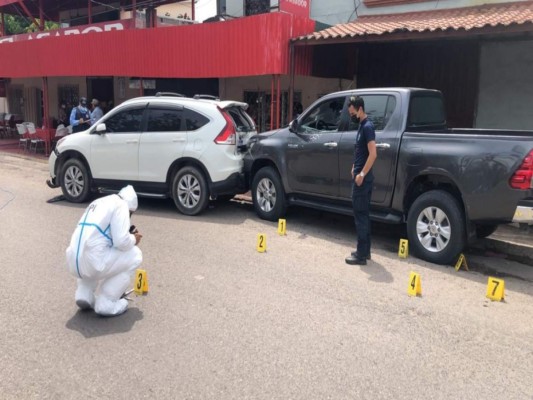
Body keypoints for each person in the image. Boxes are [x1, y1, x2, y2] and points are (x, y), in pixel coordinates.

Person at [66, 185, 143, 316]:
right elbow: (122, 242)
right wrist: (134, 239)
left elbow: (100, 237)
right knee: (135, 255)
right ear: (130, 208)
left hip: (73, 261)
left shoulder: (98, 202)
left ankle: (84, 293)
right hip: (93, 263)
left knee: (94, 248)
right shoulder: (122, 205)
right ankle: (106, 302)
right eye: (130, 214)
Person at [345, 96, 377, 266]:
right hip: (360, 177)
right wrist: (354, 167)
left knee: (360, 217)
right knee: (363, 215)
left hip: (362, 182)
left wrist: (361, 174)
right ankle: (366, 251)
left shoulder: (367, 127)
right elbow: (361, 152)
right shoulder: (362, 126)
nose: (351, 115)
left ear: (360, 109)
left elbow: (373, 154)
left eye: (352, 112)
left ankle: (361, 255)